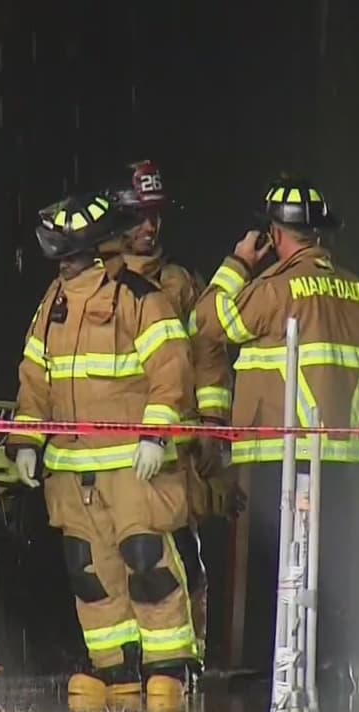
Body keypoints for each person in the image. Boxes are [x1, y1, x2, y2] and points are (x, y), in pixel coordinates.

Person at [6, 191, 198, 709]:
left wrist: (156, 434)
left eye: (66, 255)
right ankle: (115, 669)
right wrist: (27, 440)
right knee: (89, 572)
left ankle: (168, 667)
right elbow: (35, 378)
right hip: (73, 470)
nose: (61, 265)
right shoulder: (54, 301)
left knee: (148, 562)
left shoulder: (138, 296)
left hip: (132, 466)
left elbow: (172, 370)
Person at [191, 176, 359, 672]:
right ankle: (329, 665)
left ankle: (271, 671)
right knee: (328, 564)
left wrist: (238, 263)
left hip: (281, 454)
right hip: (340, 457)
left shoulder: (274, 291)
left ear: (275, 235)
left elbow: (208, 323)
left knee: (276, 568)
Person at [111, 160, 236, 672]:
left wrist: (212, 430)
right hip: (109, 459)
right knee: (110, 569)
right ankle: (122, 667)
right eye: (139, 216)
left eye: (155, 216)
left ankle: (183, 667)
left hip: (173, 460)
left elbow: (208, 360)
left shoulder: (179, 284)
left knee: (179, 562)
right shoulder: (95, 285)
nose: (150, 227)